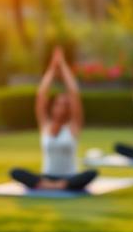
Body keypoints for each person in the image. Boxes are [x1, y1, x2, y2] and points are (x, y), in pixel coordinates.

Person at [10, 47, 98, 191]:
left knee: (92, 173)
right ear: (52, 106)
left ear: (69, 108)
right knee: (15, 172)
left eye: (65, 104)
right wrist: (51, 69)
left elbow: (74, 94)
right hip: (47, 176)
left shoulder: (73, 127)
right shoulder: (45, 125)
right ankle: (54, 185)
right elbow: (41, 96)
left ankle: (56, 185)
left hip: (70, 177)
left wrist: (63, 66)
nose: (61, 107)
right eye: (58, 103)